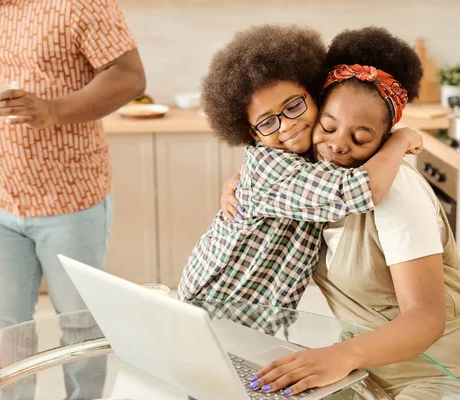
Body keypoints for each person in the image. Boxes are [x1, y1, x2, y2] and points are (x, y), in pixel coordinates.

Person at [233, 27, 460, 399]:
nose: (336, 145)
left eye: (360, 139)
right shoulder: (316, 181)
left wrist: (340, 354)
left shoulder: (394, 189)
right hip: (367, 378)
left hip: (452, 379)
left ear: (384, 140)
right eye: (328, 127)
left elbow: (426, 318)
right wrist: (239, 182)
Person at [0, 0, 146, 398]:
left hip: (72, 201)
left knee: (80, 327)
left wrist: (53, 110)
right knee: (3, 328)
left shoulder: (79, 3)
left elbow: (129, 77)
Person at [177, 24, 422, 311]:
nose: (288, 125)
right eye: (268, 122)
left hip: (256, 315)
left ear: (313, 93)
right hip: (212, 306)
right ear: (253, 134)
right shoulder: (272, 166)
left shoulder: (314, 155)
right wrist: (401, 138)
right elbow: (359, 190)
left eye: (293, 106)